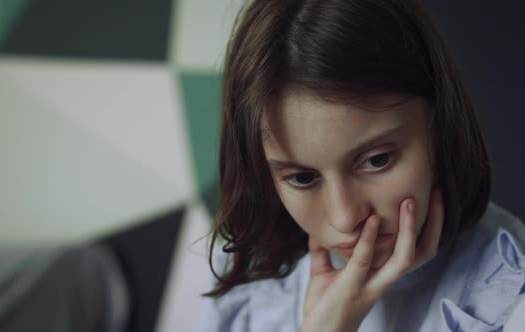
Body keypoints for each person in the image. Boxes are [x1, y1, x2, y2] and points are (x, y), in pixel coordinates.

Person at [195, 0, 525, 331]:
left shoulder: (509, 297)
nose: (345, 217)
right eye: (302, 178)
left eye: (377, 160)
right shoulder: (249, 276)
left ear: (441, 127)